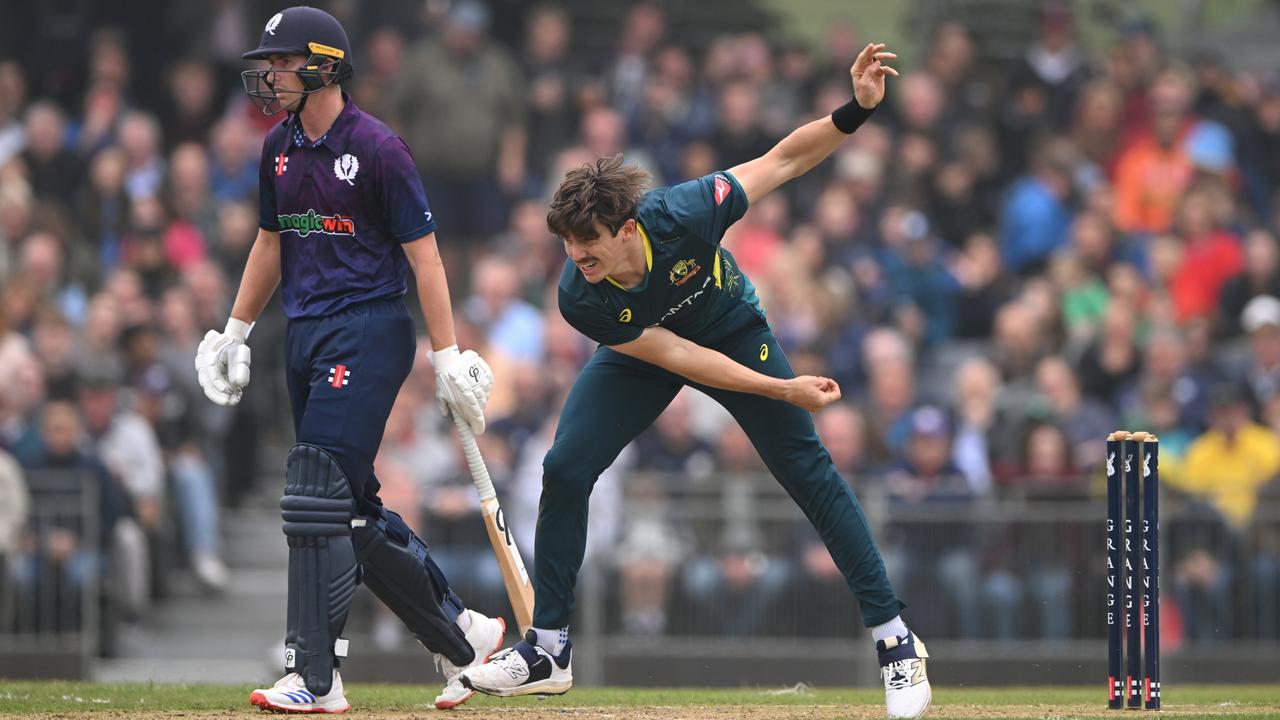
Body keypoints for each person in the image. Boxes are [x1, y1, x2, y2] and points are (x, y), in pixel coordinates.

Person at [461, 43, 931, 719]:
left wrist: (853, 111)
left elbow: (783, 160)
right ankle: (550, 650)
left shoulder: (683, 212)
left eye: (587, 243)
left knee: (807, 470)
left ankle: (897, 643)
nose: (576, 257)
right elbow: (676, 359)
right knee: (565, 466)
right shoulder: (579, 293)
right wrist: (782, 389)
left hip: (731, 325)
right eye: (567, 245)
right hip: (654, 347)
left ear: (627, 228)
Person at [195, 7, 501, 713]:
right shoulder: (277, 148)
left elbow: (425, 257)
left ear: (323, 65)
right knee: (351, 514)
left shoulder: (380, 148)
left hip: (368, 328)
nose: (269, 74)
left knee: (313, 495)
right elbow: (272, 244)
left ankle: (314, 675)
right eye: (267, 63)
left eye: (280, 62)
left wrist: (447, 354)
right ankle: (464, 634)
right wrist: (235, 331)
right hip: (305, 332)